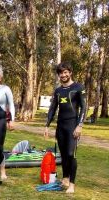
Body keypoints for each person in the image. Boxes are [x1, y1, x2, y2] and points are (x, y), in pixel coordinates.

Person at [44, 62, 86, 193]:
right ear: (59, 75)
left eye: (66, 72)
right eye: (61, 73)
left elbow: (84, 107)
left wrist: (79, 125)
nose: (63, 75)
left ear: (70, 72)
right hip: (60, 126)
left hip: (73, 126)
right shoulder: (58, 91)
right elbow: (52, 108)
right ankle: (65, 178)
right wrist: (47, 125)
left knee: (70, 154)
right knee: (63, 155)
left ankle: (72, 184)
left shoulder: (78, 87)